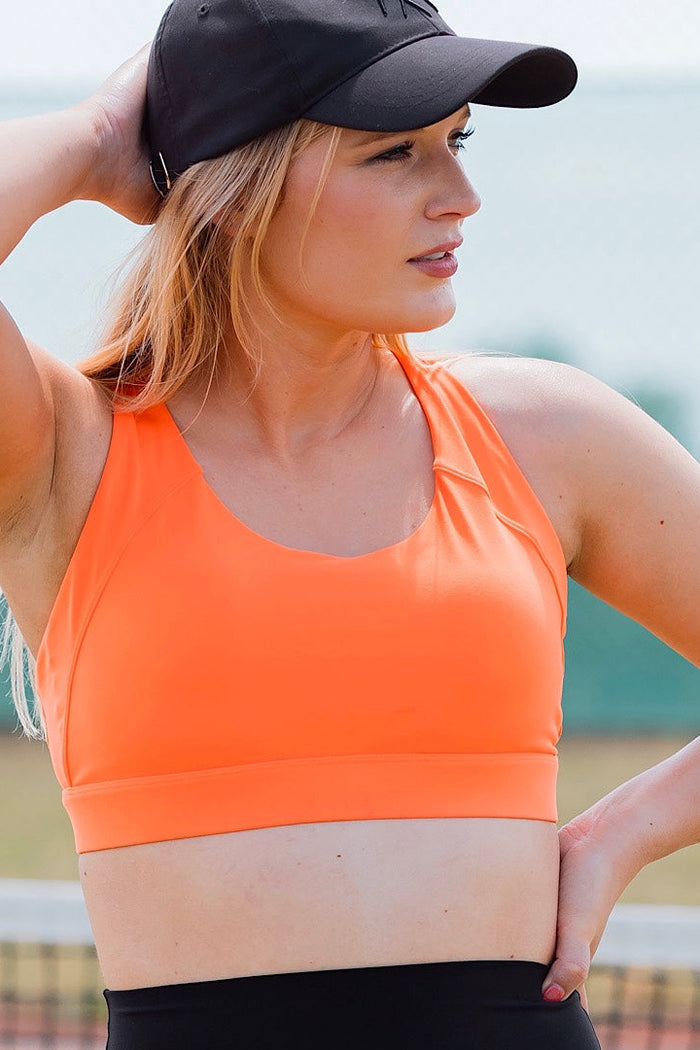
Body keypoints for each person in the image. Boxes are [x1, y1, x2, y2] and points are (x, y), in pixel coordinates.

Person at [1, 0, 699, 1047]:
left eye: (457, 142)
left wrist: (620, 834)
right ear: (236, 192)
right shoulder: (67, 451)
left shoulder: (548, 435)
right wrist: (99, 140)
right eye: (394, 154)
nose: (460, 195)